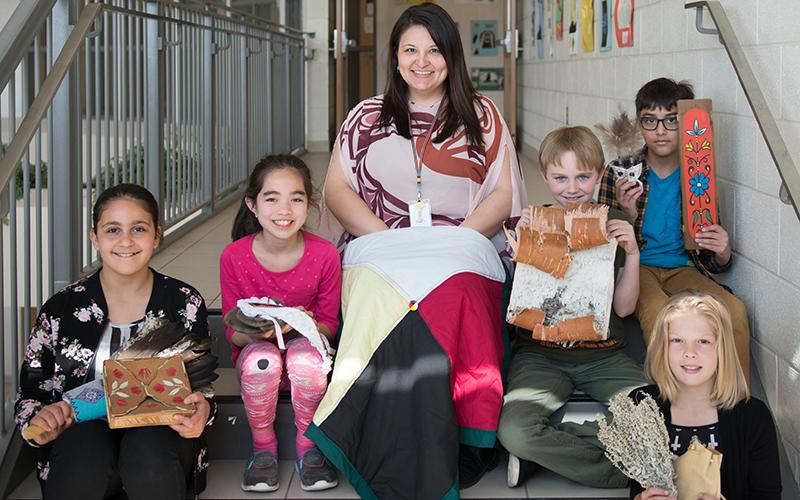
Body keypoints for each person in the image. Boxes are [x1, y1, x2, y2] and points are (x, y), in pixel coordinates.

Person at [316, 3, 527, 497]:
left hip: (463, 246)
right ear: (395, 56)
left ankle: (467, 436)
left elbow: (501, 192)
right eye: (410, 49)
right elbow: (338, 190)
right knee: (375, 300)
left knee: (456, 294)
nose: (422, 61)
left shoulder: (482, 114)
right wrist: (383, 238)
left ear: (451, 56)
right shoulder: (365, 117)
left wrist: (457, 241)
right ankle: (371, 432)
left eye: (434, 50)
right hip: (380, 244)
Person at [14, 184, 215, 500]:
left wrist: (203, 410)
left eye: (138, 229)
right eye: (112, 230)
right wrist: (39, 420)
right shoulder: (60, 309)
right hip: (81, 443)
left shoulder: (183, 301)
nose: (126, 241)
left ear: (156, 235)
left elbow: (199, 385)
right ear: (94, 237)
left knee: (147, 447)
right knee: (84, 448)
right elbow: (30, 393)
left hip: (159, 443)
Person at [498, 126, 648, 488]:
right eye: (560, 177)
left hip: (605, 356)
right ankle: (628, 473)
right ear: (545, 177)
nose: (572, 188)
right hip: (540, 355)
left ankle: (548, 456)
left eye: (583, 176)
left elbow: (625, 310)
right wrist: (525, 249)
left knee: (657, 417)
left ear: (598, 175)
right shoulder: (533, 222)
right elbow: (527, 305)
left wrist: (632, 254)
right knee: (515, 431)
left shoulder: (616, 223)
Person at [597, 77, 750, 380]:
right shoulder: (621, 172)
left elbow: (708, 257)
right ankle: (670, 406)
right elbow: (602, 247)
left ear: (685, 124)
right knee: (662, 315)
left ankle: (737, 408)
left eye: (671, 121)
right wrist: (626, 212)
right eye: (650, 121)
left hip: (684, 269)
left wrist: (722, 253)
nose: (661, 131)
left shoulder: (698, 175)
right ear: (640, 125)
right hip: (637, 267)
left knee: (734, 310)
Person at [220, 154, 341, 492]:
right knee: (263, 360)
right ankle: (263, 448)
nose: (284, 210)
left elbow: (330, 324)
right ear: (252, 205)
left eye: (296, 199)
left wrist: (301, 326)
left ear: (309, 204)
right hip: (257, 360)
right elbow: (233, 332)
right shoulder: (234, 257)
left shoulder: (325, 255)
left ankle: (309, 447)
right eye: (271, 198)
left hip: (307, 358)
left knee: (305, 360)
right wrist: (260, 332)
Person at [629, 292, 781, 499]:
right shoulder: (642, 406)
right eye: (677, 340)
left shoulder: (753, 416)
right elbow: (636, 487)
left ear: (722, 349)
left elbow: (768, 495)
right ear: (662, 346)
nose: (689, 352)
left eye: (703, 341)